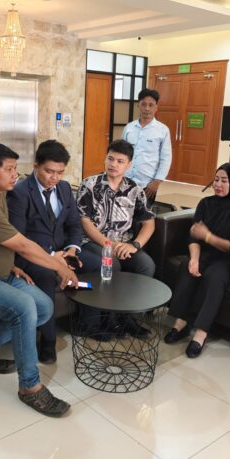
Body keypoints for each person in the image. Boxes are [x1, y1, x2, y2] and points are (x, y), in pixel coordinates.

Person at [0, 142, 78, 417]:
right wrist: (60, 267)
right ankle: (30, 387)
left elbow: (1, 242)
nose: (15, 174)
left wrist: (11, 266)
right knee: (25, 307)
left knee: (44, 306)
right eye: (9, 169)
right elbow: (22, 245)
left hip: (0, 275)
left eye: (15, 168)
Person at [7, 140, 101, 364]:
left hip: (63, 251)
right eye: (49, 171)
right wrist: (51, 258)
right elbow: (19, 238)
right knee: (46, 275)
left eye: (60, 172)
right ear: (36, 166)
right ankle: (48, 341)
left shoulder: (65, 188)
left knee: (101, 265)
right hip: (32, 256)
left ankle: (88, 323)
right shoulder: (19, 192)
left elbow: (74, 225)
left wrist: (72, 249)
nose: (54, 178)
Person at [163, 162, 230, 358]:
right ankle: (181, 322)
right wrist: (194, 259)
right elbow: (193, 236)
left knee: (215, 276)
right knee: (187, 266)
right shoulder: (206, 204)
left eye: (224, 181)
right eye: (216, 180)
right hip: (205, 253)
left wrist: (207, 236)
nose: (218, 185)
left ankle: (201, 332)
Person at [77, 139, 156, 337]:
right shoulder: (90, 184)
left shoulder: (135, 190)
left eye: (120, 161)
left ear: (129, 165)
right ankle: (108, 321)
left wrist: (134, 245)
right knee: (112, 264)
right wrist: (109, 245)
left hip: (124, 244)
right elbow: (85, 222)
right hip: (92, 242)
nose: (113, 164)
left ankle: (128, 319)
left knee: (146, 265)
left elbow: (149, 223)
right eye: (110, 159)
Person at [121, 88, 172, 206]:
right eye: (143, 104)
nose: (147, 108)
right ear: (138, 105)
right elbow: (120, 153)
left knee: (142, 215)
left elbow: (166, 158)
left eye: (151, 105)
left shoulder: (162, 130)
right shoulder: (129, 128)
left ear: (156, 107)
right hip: (125, 181)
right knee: (122, 213)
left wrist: (157, 181)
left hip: (147, 185)